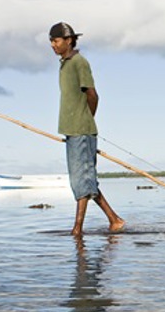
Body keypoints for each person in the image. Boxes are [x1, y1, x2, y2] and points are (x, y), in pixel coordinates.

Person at [49, 21, 125, 236]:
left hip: (81, 130)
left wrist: (85, 121)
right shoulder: (64, 64)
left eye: (56, 40)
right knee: (84, 179)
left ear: (69, 40)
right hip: (72, 130)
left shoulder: (79, 62)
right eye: (51, 41)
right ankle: (114, 220)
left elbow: (92, 95)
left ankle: (77, 229)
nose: (52, 45)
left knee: (82, 180)